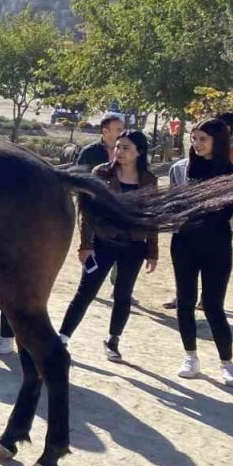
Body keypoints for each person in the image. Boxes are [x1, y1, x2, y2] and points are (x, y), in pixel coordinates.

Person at [58, 130, 159, 361]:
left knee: (123, 294)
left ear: (139, 152)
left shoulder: (149, 180)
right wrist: (85, 245)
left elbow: (152, 217)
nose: (119, 151)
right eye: (118, 147)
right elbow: (87, 212)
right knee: (86, 292)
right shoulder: (101, 173)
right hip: (103, 243)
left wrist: (152, 251)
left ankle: (113, 340)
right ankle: (62, 337)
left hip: (133, 245)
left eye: (126, 148)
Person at [168, 117, 233, 386]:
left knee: (214, 306)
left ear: (218, 141)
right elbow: (174, 205)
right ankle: (190, 356)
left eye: (203, 139)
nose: (197, 144)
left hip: (218, 246)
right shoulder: (181, 169)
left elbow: (232, 212)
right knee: (185, 302)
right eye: (194, 138)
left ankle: (227, 363)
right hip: (184, 244)